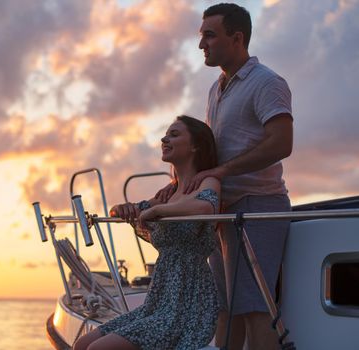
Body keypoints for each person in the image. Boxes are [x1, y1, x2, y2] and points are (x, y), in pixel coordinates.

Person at [159, 3, 293, 350]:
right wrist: (177, 186)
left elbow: (282, 143)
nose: (201, 44)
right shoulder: (216, 89)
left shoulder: (267, 83)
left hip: (258, 208)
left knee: (254, 308)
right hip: (224, 212)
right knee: (225, 308)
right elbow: (215, 153)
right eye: (201, 35)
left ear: (237, 38)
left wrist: (221, 171)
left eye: (209, 35)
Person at [73, 116, 221, 350]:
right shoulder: (168, 193)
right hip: (159, 301)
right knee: (82, 345)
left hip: (188, 304)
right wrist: (121, 209)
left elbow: (207, 206)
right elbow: (133, 210)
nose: (164, 138)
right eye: (166, 134)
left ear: (195, 146)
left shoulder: (207, 182)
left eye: (174, 134)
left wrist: (160, 210)